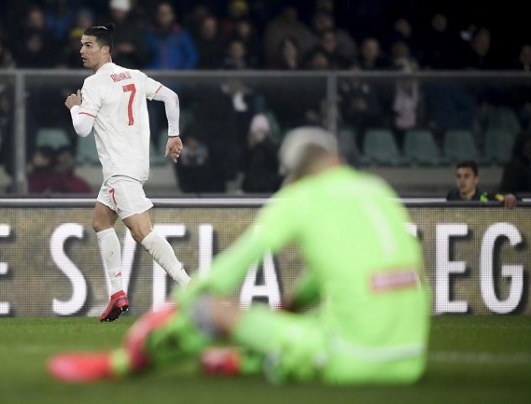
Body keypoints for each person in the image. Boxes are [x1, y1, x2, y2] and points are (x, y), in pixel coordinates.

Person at [48, 127, 430, 385]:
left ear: (294, 173)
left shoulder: (300, 196)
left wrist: (176, 305)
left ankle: (122, 364)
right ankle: (251, 359)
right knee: (308, 319)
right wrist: (292, 304)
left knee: (209, 309)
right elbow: (329, 278)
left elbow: (230, 270)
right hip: (412, 360)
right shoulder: (377, 190)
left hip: (352, 360)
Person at [64, 23, 191, 322]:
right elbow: (171, 97)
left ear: (105, 49)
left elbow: (82, 129)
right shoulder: (135, 76)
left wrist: (74, 106)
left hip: (121, 170)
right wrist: (173, 134)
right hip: (130, 167)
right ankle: (117, 294)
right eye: (81, 45)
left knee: (141, 231)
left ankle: (190, 287)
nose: (82, 51)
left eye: (88, 45)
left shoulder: (94, 83)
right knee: (100, 221)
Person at [447, 160, 517, 208]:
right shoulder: (451, 195)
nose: (461, 180)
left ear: (476, 179)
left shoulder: (486, 197)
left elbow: (505, 198)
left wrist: (510, 197)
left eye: (466, 176)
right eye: (459, 176)